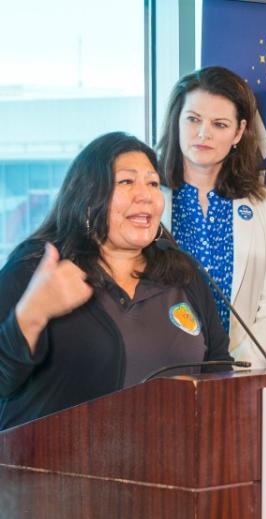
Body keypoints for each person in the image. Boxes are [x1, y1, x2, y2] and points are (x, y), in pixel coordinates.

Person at [0, 132, 231, 431]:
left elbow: (220, 371)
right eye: (126, 181)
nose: (145, 194)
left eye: (151, 183)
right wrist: (33, 313)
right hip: (54, 471)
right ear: (87, 197)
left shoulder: (183, 274)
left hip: (170, 470)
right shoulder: (37, 269)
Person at [157, 66, 266, 369]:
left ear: (238, 132)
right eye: (193, 120)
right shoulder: (148, 197)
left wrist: (236, 367)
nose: (203, 133)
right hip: (162, 373)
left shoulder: (265, 204)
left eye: (219, 124)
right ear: (176, 121)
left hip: (237, 371)